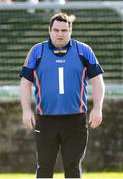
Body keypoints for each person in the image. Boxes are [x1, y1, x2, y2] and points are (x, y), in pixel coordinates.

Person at [20, 12, 105, 178]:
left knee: (73, 167)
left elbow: (97, 80)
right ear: (49, 30)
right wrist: (26, 110)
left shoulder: (83, 50)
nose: (60, 34)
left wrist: (98, 108)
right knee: (44, 167)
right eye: (56, 30)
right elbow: (25, 82)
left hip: (75, 119)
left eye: (64, 30)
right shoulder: (38, 51)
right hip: (46, 119)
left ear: (70, 31)